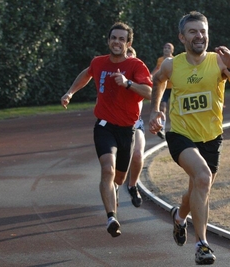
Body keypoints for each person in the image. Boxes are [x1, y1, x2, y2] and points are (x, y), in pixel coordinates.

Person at [148, 11, 230, 265]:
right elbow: (159, 81)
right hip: (180, 135)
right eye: (193, 31)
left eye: (203, 31)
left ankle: (179, 217)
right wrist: (155, 110)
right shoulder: (172, 64)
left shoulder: (219, 62)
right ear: (182, 37)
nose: (200, 36)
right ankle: (202, 245)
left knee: (197, 189)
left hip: (211, 137)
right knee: (203, 178)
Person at [61, 22, 152, 237]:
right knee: (107, 169)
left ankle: (115, 193)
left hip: (127, 130)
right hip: (104, 127)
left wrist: (127, 83)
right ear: (108, 40)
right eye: (114, 38)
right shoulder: (99, 62)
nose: (117, 42)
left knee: (119, 179)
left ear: (128, 43)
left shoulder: (136, 66)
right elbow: (87, 73)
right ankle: (111, 217)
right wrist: (70, 92)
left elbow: (149, 92)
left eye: (122, 39)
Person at [126, 46, 143, 207]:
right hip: (114, 125)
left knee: (137, 154)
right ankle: (114, 188)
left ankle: (133, 185)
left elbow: (151, 90)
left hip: (136, 123)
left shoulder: (140, 75)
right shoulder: (115, 76)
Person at [150, 42, 174, 139]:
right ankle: (162, 128)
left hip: (173, 87)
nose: (166, 49)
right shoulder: (160, 60)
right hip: (163, 88)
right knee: (162, 107)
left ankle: (177, 128)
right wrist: (151, 75)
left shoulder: (174, 60)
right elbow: (157, 68)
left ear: (172, 50)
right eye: (165, 47)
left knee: (174, 107)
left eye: (169, 48)